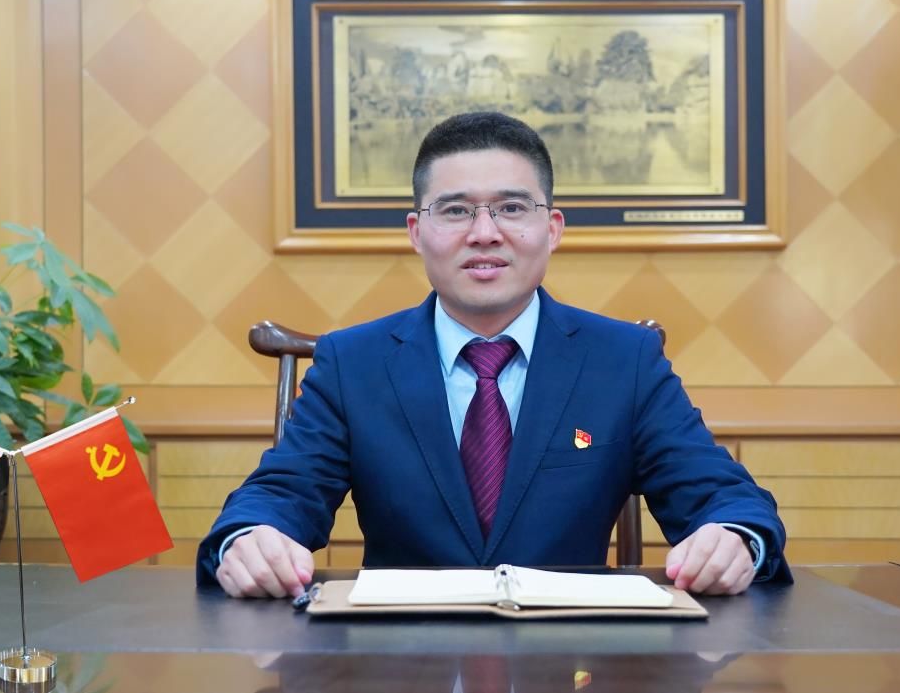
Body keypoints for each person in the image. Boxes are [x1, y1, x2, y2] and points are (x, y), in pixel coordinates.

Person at [197, 111, 790, 599]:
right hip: (400, 661)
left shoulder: (625, 361)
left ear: (552, 228)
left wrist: (733, 536)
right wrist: (252, 538)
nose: (484, 232)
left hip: (574, 662)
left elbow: (723, 495)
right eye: (456, 210)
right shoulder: (353, 364)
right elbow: (281, 493)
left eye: (511, 208)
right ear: (416, 232)